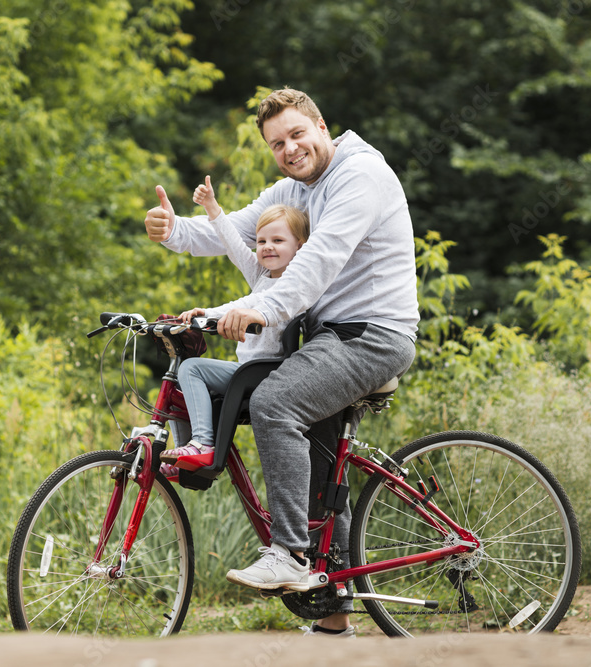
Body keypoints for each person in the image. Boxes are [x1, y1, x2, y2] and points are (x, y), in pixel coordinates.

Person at [144, 87, 419, 638]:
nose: (289, 149)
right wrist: (174, 231)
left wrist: (254, 309)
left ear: (321, 125)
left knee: (273, 401)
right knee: (318, 466)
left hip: (372, 336)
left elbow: (314, 267)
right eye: (277, 143)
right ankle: (334, 613)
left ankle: (290, 553)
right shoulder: (294, 187)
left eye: (297, 134)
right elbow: (238, 229)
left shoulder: (358, 176)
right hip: (325, 341)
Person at [159, 176, 310, 476]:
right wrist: (209, 312)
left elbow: (255, 306)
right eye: (263, 241)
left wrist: (213, 208)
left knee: (192, 369)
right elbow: (235, 249)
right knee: (177, 380)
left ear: (300, 246)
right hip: (248, 371)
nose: (267, 247)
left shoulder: (298, 284)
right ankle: (184, 455)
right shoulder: (263, 276)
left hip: (268, 373)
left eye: (278, 241)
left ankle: (202, 443)